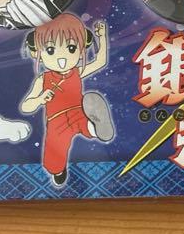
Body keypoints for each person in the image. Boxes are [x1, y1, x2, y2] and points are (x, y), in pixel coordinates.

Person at [19, 15, 114, 188]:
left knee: (84, 124)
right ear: (36, 52)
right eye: (50, 50)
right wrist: (39, 99)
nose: (61, 58)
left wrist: (102, 37)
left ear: (81, 48)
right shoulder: (43, 79)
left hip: (78, 110)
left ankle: (96, 127)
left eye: (71, 48)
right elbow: (26, 106)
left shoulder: (76, 72)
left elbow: (100, 62)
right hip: (56, 120)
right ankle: (58, 170)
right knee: (55, 150)